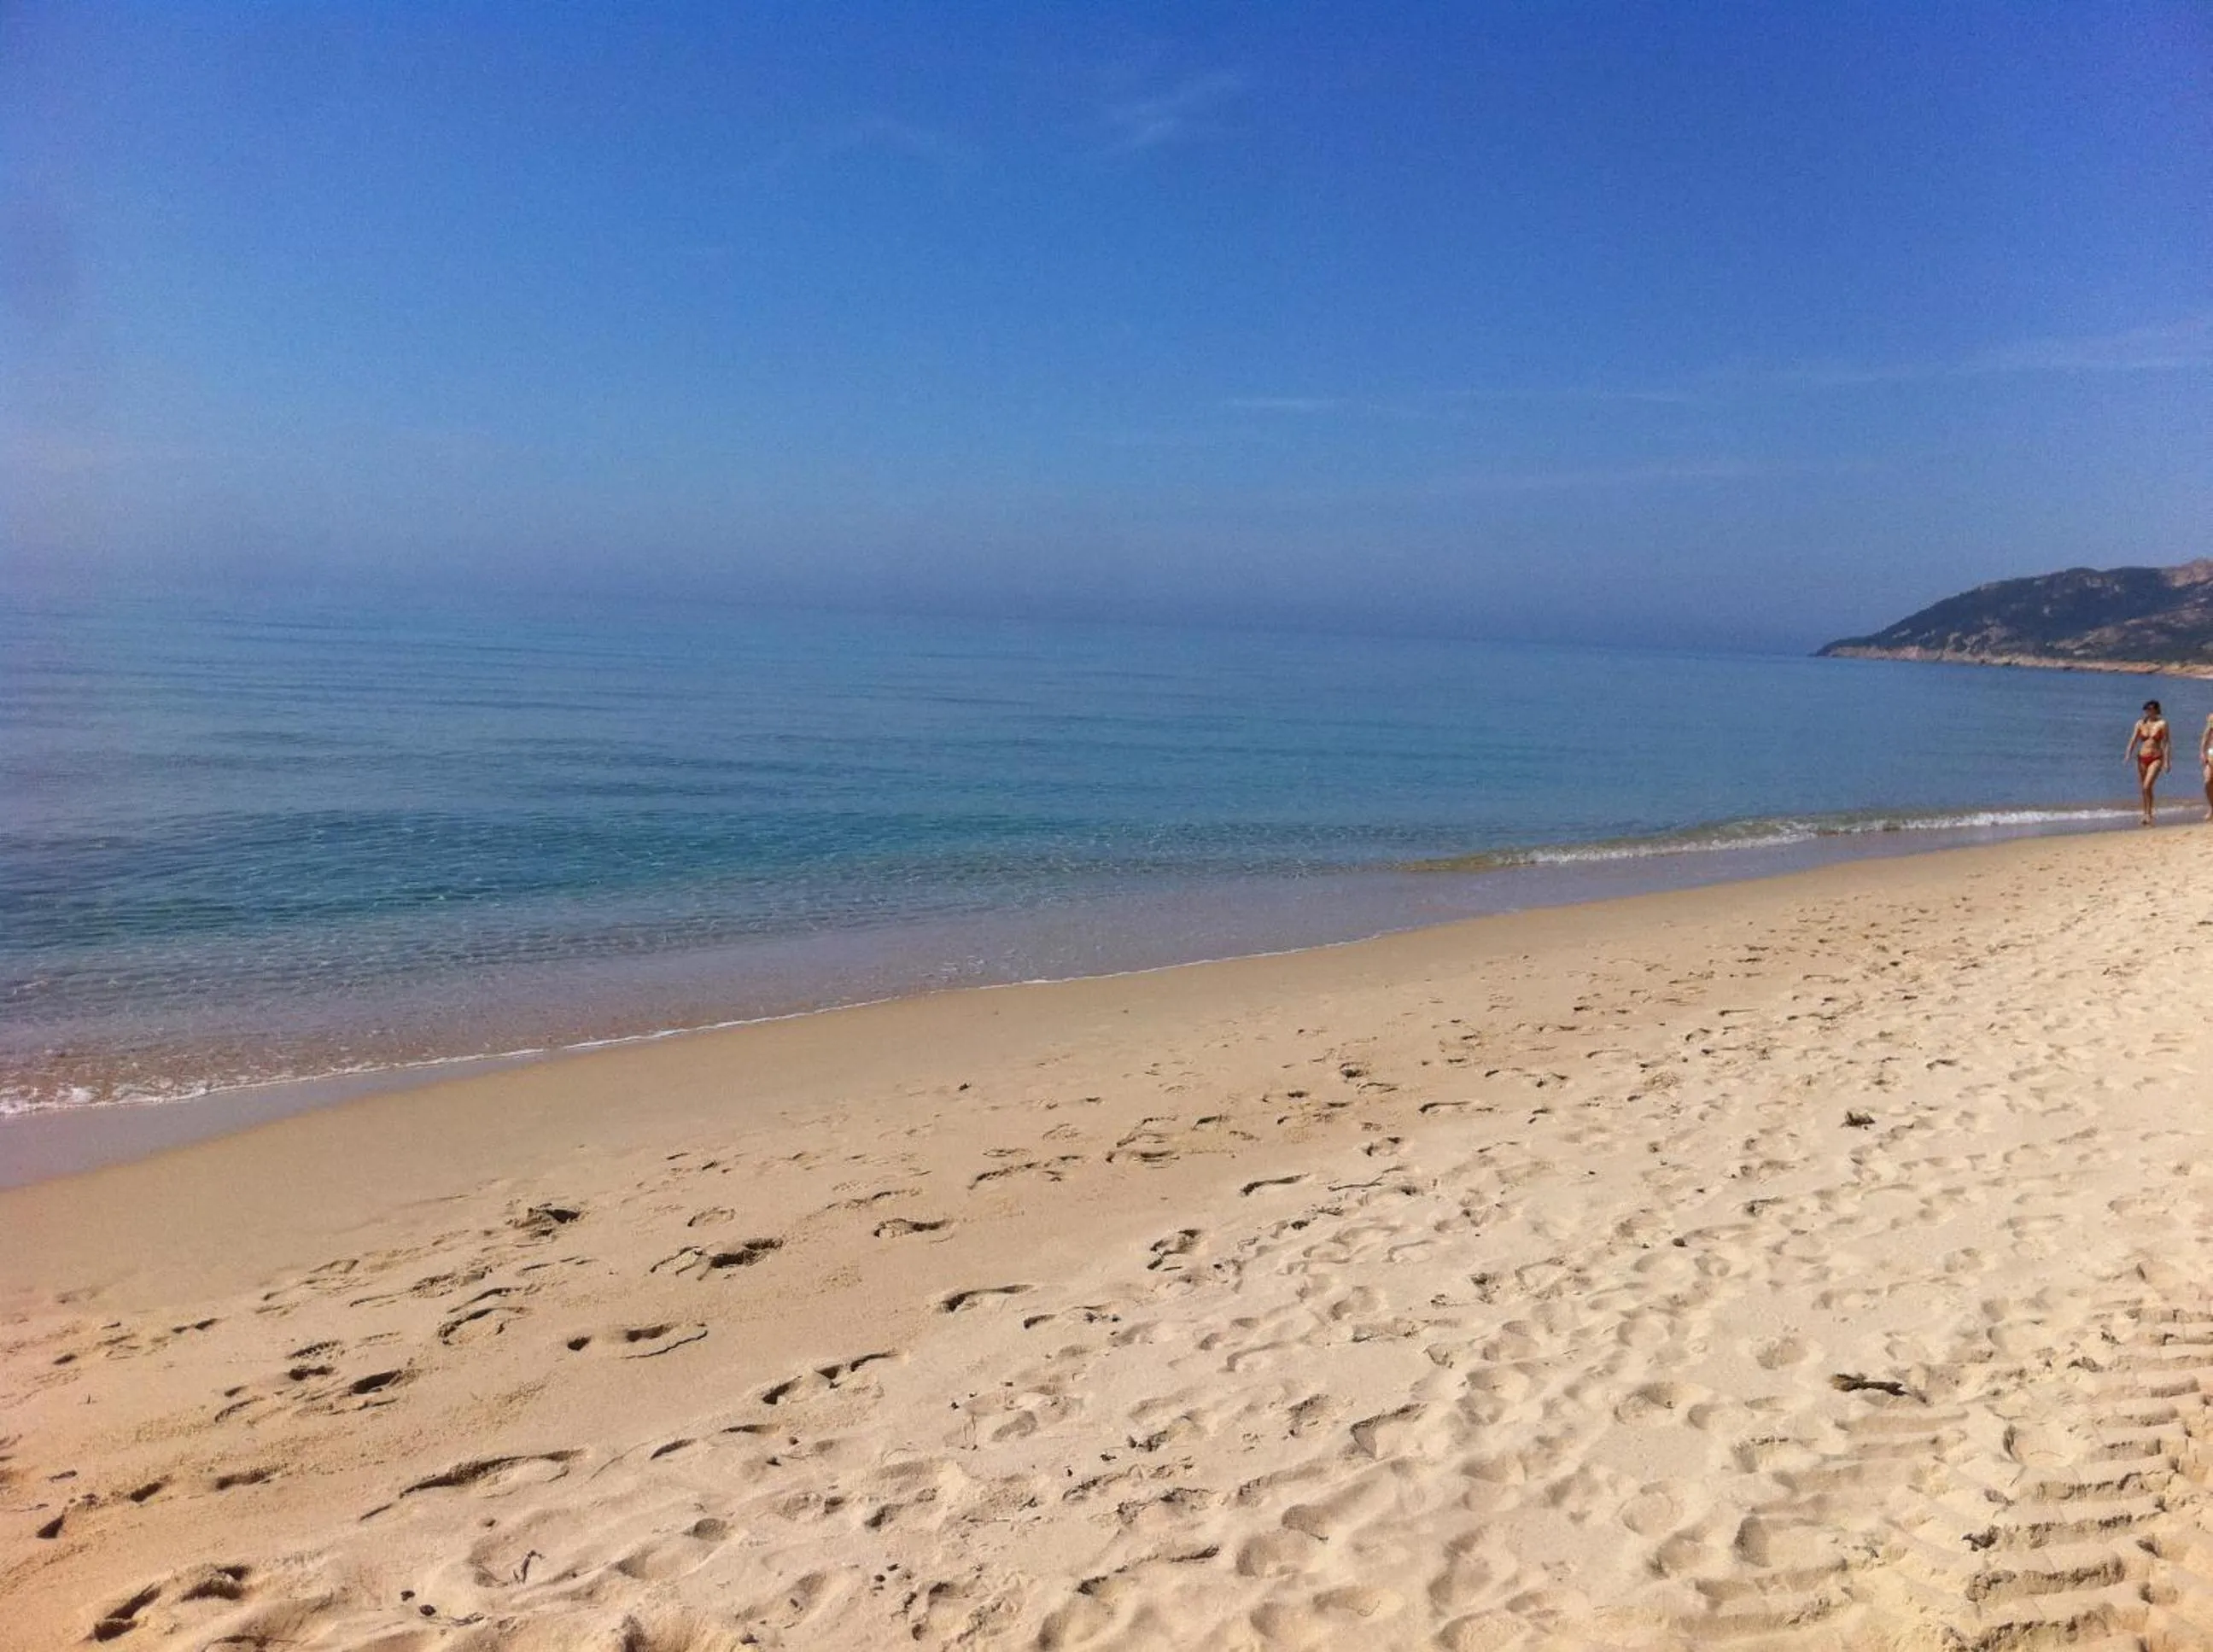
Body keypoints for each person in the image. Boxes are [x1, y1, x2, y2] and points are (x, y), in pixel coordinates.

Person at [2127, 700, 2170, 826]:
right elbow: (2133, 739)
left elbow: (2166, 743)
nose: (2148, 711)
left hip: (2156, 757)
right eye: (2147, 709)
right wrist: (2128, 753)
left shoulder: (2162, 724)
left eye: (2151, 709)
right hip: (2142, 757)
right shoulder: (2140, 723)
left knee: (2147, 785)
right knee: (2144, 788)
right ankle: (2146, 813)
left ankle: (2149, 814)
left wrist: (2167, 761)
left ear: (2157, 710)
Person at [2201, 711, 2213, 822]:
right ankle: (2211, 808)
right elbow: (2206, 735)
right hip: (2212, 753)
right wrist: (2202, 752)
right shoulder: (2212, 717)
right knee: (2208, 781)